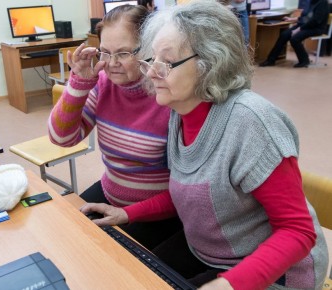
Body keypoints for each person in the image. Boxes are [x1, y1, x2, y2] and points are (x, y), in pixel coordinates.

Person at [81, 1, 329, 289]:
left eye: (166, 62)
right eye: (152, 60)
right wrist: (126, 213)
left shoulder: (252, 123)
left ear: (210, 64)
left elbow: (298, 232)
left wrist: (228, 284)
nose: (150, 73)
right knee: (133, 274)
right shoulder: (180, 112)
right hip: (211, 254)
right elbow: (184, 194)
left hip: (279, 271)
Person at [48, 5, 182, 251]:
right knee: (65, 236)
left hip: (160, 211)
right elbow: (61, 138)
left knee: (112, 259)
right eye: (105, 52)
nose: (111, 64)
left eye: (123, 53)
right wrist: (78, 83)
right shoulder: (102, 82)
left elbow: (188, 189)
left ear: (148, 50)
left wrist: (128, 213)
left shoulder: (168, 93)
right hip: (111, 193)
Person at [259, 0, 329, 68]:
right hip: (305, 26)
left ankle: (304, 60)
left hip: (316, 28)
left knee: (295, 39)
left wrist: (299, 29)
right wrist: (292, 19)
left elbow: (315, 21)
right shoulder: (312, 1)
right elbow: (306, 17)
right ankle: (271, 60)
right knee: (284, 35)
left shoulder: (323, 2)